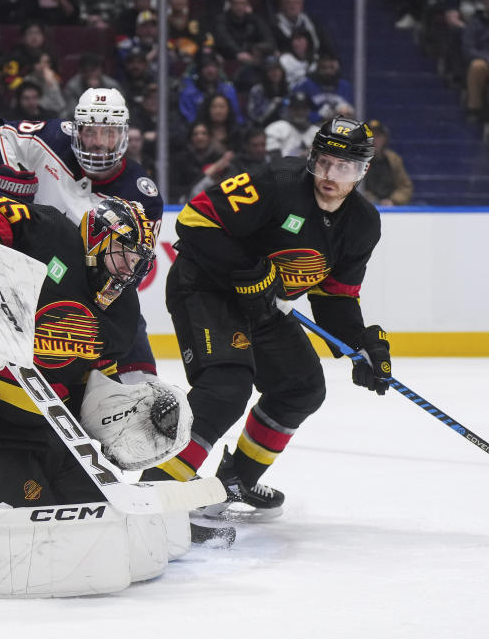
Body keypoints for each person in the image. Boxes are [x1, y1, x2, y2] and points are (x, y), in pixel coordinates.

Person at [140, 117, 391, 520]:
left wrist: (362, 344)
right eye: (324, 162)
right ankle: (156, 495)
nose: (330, 176)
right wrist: (251, 270)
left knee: (302, 387)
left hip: (264, 306)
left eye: (343, 168)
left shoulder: (362, 224)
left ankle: (235, 480)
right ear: (312, 158)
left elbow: (335, 298)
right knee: (226, 387)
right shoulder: (278, 182)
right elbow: (194, 220)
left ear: (362, 171)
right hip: (209, 287)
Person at [0, 194, 162, 507]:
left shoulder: (122, 310)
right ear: (100, 238)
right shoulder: (46, 231)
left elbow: (92, 392)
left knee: (107, 514)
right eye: (124, 254)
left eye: (137, 262)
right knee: (28, 523)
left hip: (48, 436)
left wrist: (125, 420)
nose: (129, 270)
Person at [361, 120, 413, 206]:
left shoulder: (394, 160)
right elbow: (350, 188)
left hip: (391, 210)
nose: (374, 140)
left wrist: (393, 200)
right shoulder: (357, 161)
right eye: (370, 136)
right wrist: (368, 198)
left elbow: (405, 187)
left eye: (378, 136)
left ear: (384, 139)